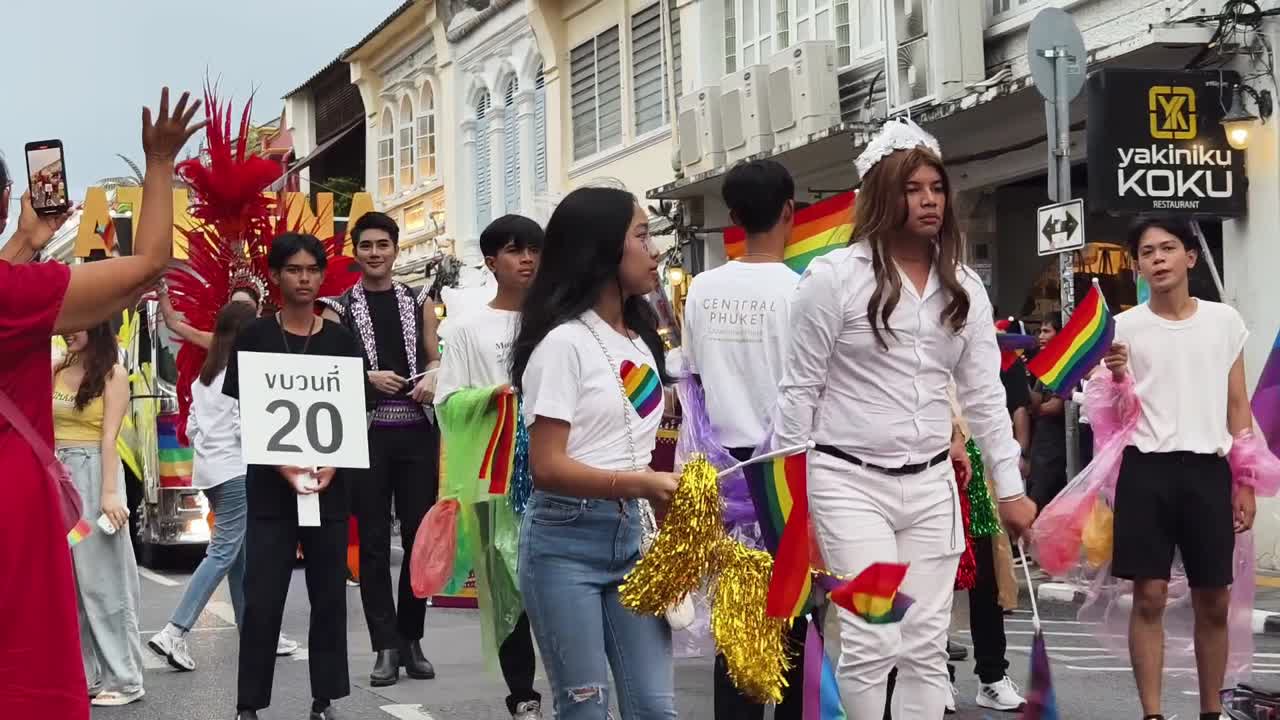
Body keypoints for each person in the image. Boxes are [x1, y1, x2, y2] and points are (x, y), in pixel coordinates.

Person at [770, 119, 1036, 719]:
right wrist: (793, 509)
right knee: (872, 641)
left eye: (937, 188)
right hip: (847, 484)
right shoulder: (833, 280)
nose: (929, 200)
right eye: (913, 188)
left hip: (932, 487)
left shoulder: (963, 286)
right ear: (883, 195)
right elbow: (797, 396)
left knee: (923, 646)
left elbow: (985, 396)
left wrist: (1012, 489)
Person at [0, 88, 203, 720]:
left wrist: (25, 244)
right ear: (4, 200)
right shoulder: (15, 294)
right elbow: (147, 268)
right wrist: (162, 161)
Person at [510, 187, 680, 720]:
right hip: (563, 546)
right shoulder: (562, 345)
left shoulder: (642, 341)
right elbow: (547, 466)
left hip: (634, 540)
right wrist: (643, 485)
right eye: (642, 235)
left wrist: (670, 509)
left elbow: (637, 445)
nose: (655, 250)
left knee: (654, 708)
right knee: (585, 708)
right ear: (603, 248)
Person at [1103, 218, 1254, 720]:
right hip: (1145, 471)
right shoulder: (1122, 329)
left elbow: (1238, 407)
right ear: (1138, 265)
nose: (1159, 258)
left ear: (1191, 257)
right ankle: (1152, 713)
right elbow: (1109, 418)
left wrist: (1245, 479)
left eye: (1169, 248)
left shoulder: (1224, 321)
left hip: (1208, 471)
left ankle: (1211, 711)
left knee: (1214, 599)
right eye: (1148, 252)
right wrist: (1118, 376)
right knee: (1148, 596)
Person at [680, 159, 806, 720]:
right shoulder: (804, 291)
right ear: (790, 212)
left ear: (732, 218)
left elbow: (694, 381)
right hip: (789, 474)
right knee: (794, 623)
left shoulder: (702, 290)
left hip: (724, 472)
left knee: (736, 629)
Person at [224, 233, 368, 720]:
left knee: (329, 597)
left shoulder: (343, 342)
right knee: (262, 599)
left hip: (329, 488)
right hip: (270, 488)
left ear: (322, 276)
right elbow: (245, 411)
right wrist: (280, 463)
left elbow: (352, 416)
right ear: (276, 275)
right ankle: (249, 703)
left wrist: (332, 463)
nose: (303, 278)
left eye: (311, 270)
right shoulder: (256, 337)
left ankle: (324, 699)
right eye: (293, 270)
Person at [319, 211, 440, 686]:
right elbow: (326, 373)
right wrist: (365, 377)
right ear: (355, 251)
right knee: (371, 545)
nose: (374, 253)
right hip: (365, 437)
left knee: (418, 539)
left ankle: (412, 638)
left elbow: (433, 355)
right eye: (366, 245)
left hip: (416, 433)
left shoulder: (419, 300)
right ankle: (385, 646)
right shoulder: (338, 307)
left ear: (395, 249)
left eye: (382, 244)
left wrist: (433, 373)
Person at [434, 214, 544, 720]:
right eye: (514, 250)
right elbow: (447, 401)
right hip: (494, 477)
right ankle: (522, 693)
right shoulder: (465, 328)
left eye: (534, 250)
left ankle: (577, 688)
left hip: (551, 468)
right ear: (491, 261)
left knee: (556, 587)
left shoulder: (557, 320)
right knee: (506, 592)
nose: (526, 259)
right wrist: (496, 398)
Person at [149, 301, 298, 669]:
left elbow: (192, 428)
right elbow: (245, 428)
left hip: (210, 472)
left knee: (238, 558)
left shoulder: (205, 377)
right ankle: (174, 631)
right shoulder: (243, 374)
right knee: (223, 554)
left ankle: (257, 632)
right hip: (236, 471)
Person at [54, 322, 146, 706]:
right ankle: (89, 674)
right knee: (70, 580)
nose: (68, 331)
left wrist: (109, 494)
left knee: (103, 579)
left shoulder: (114, 372)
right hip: (60, 481)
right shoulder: (58, 366)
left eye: (77, 324)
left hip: (95, 481)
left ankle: (125, 679)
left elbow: (109, 438)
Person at [1028, 312, 1067, 511]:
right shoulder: (1045, 362)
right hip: (1040, 444)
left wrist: (1034, 409)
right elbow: (1034, 400)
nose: (1041, 336)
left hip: (1054, 447)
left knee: (1040, 502)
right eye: (1039, 331)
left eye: (1046, 331)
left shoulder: (1064, 365)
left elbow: (1056, 406)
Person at [158, 283, 262, 350]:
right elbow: (172, 323)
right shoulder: (222, 341)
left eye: (246, 306)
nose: (240, 311)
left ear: (259, 309)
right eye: (234, 305)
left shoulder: (271, 337)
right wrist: (161, 290)